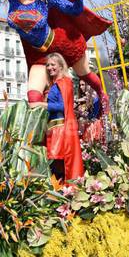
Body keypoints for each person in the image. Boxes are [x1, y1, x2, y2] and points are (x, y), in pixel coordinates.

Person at [31, 53, 84, 182]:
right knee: (56, 166)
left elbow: (63, 107)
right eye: (47, 65)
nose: (49, 67)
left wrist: (41, 104)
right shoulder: (58, 84)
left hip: (60, 131)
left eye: (53, 64)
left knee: (58, 166)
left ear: (61, 66)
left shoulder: (63, 83)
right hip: (55, 130)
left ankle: (63, 195)